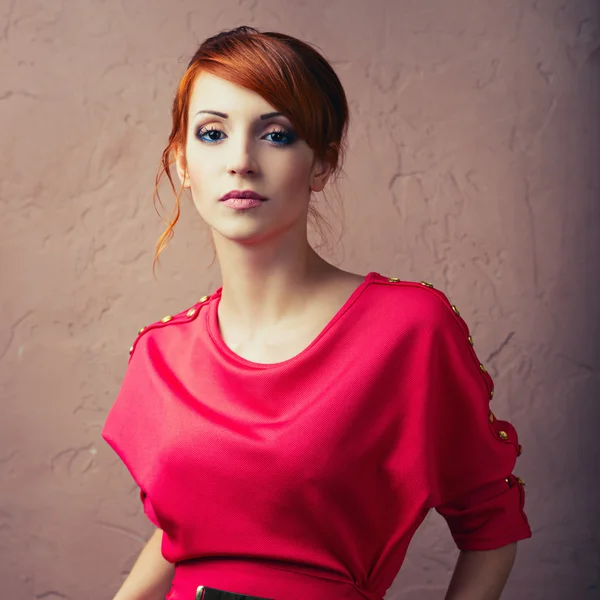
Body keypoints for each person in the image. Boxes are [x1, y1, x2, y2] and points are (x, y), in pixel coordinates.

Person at [102, 26, 531, 600]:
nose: (241, 162)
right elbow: (179, 534)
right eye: (212, 133)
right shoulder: (161, 353)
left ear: (323, 164)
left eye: (276, 135)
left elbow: (491, 524)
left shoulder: (408, 328)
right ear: (181, 161)